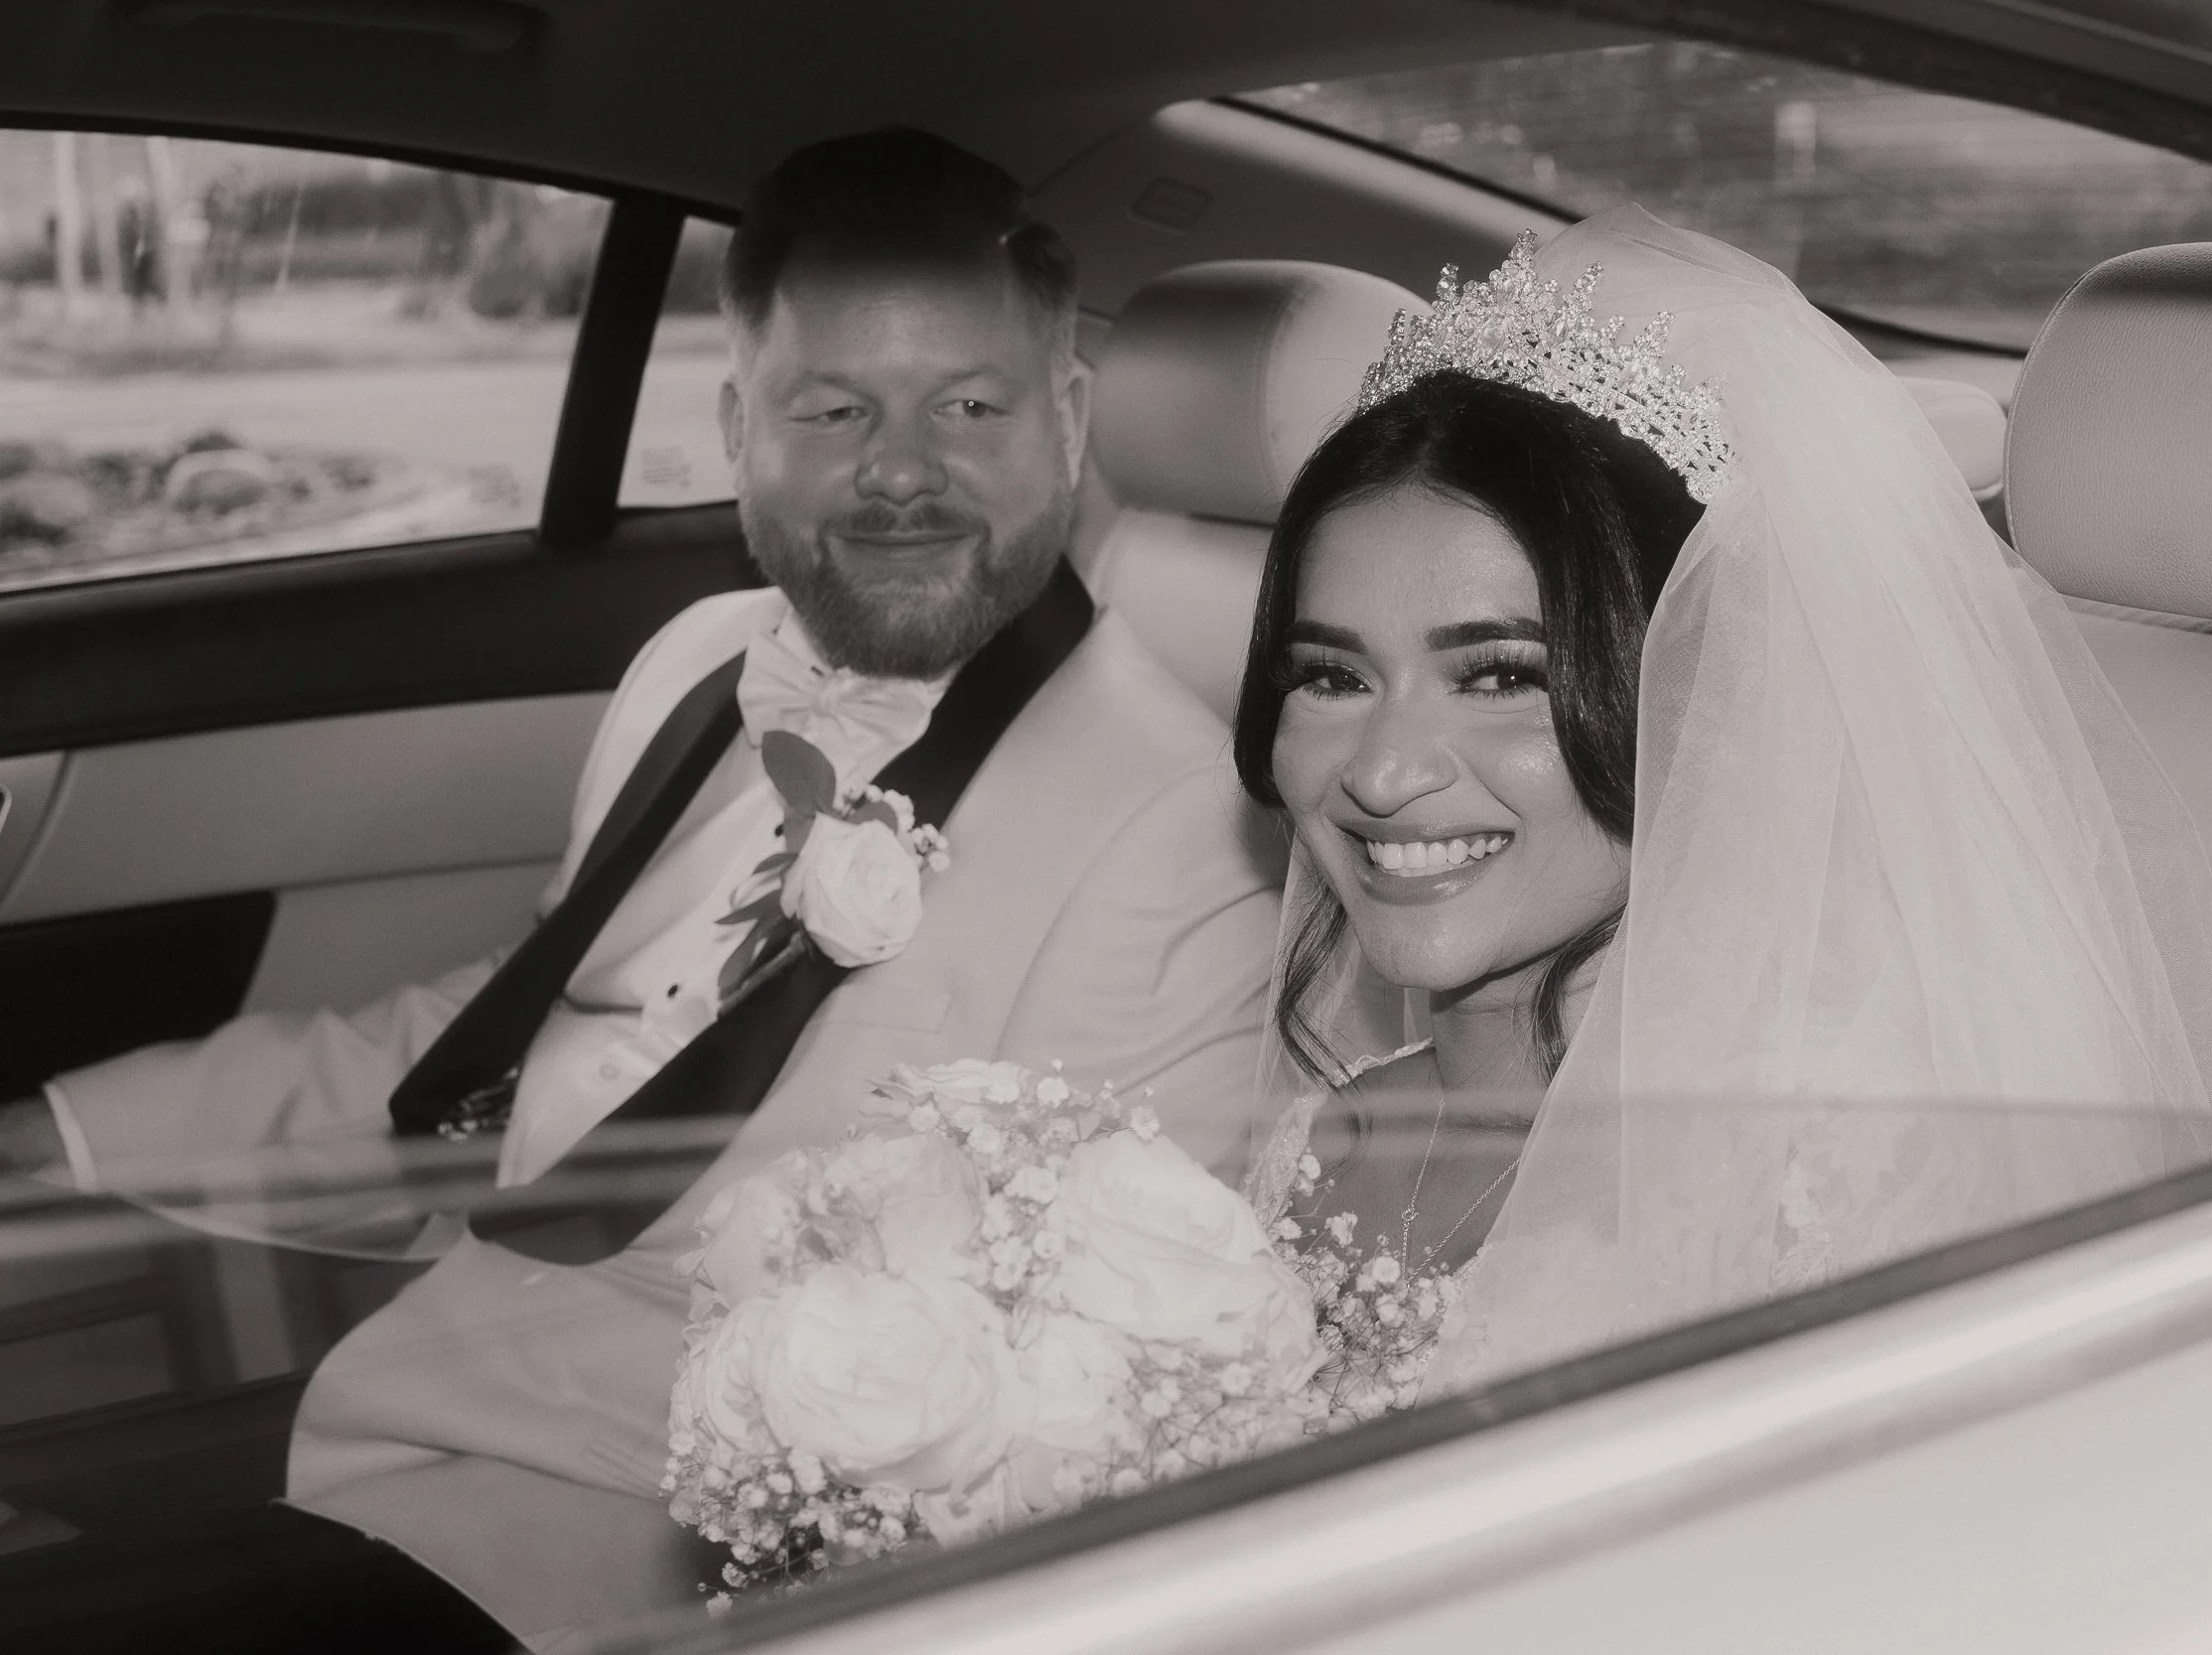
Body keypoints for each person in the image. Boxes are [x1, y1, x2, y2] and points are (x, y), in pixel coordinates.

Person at [0, 130, 1281, 1650]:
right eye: (833, 407)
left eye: (970, 405)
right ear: (740, 424)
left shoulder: (1181, 832)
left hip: (626, 1545)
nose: (898, 470)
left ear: (1067, 420)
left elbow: (1068, 1408)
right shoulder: (698, 660)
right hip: (402, 1385)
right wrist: (62, 1139)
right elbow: (511, 1032)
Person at [1230, 207, 2212, 1411]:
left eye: (1502, 675)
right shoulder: (1324, 1136)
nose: (1381, 769)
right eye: (1331, 675)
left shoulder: (1833, 1167)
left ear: (1695, 686)